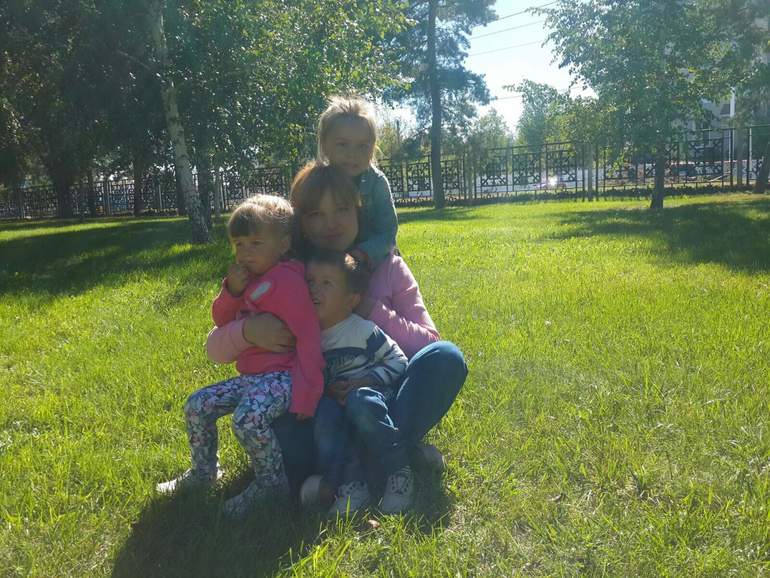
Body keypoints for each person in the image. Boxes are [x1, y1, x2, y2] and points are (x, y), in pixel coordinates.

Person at [156, 194, 324, 519]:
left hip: (284, 377)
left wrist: (307, 396)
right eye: (239, 244)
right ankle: (204, 473)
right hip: (252, 377)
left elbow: (309, 338)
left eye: (256, 243)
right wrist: (231, 291)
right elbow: (221, 320)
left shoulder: (287, 281)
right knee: (197, 405)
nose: (245, 253)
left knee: (247, 419)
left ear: (283, 244)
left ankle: (272, 485)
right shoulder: (246, 279)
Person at [303, 249, 409, 515]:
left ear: (351, 299)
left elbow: (398, 360)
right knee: (324, 414)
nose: (314, 289)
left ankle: (398, 472)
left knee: (360, 400)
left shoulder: (362, 330)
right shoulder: (309, 338)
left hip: (372, 400)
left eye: (326, 283)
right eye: (311, 281)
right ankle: (352, 485)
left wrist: (366, 380)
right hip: (337, 402)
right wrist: (328, 390)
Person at [316, 95, 398, 270]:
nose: (352, 154)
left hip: (376, 263)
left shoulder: (376, 183)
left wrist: (360, 254)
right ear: (325, 145)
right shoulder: (316, 183)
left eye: (362, 146)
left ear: (373, 147)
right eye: (342, 144)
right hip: (329, 264)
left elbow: (387, 233)